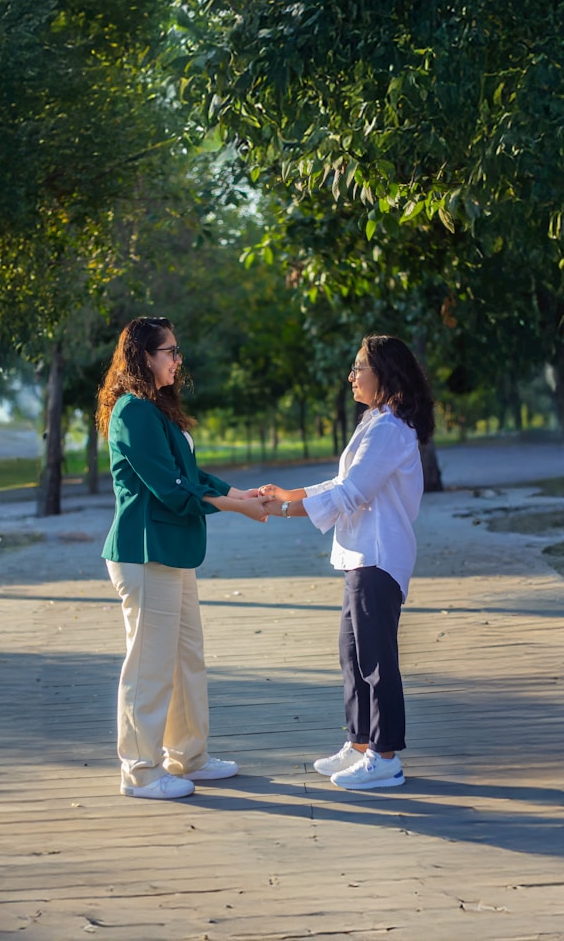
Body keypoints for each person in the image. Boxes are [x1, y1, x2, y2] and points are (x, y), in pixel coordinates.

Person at [97, 316, 272, 800]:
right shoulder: (131, 411)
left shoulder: (156, 410)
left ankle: (188, 756)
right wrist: (239, 507)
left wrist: (241, 492)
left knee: (186, 659)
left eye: (177, 350)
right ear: (144, 356)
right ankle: (140, 771)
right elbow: (173, 490)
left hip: (172, 552)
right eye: (170, 351)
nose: (178, 359)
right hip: (145, 551)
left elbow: (191, 473)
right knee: (149, 666)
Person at [258, 335, 434, 790]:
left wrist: (280, 510)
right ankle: (359, 745)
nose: (351, 376)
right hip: (360, 556)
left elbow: (352, 495)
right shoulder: (375, 422)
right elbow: (340, 482)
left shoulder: (391, 429)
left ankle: (386, 755)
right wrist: (290, 496)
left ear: (385, 375)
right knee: (352, 655)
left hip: (379, 556)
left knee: (376, 660)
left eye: (359, 368)